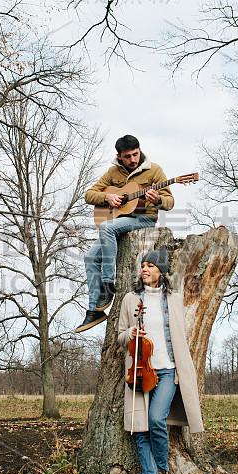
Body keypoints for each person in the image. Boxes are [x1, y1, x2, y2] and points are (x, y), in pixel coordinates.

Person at [117, 249, 204, 474]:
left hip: (167, 371)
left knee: (156, 419)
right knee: (141, 429)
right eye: (142, 265)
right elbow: (119, 338)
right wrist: (130, 333)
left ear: (161, 271)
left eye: (150, 266)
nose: (144, 269)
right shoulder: (130, 300)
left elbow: (180, 336)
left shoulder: (174, 299)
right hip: (140, 372)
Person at [75, 135, 174, 333]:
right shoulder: (113, 172)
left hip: (143, 220)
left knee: (106, 227)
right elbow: (89, 194)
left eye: (135, 154)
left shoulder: (154, 170)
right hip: (119, 222)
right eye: (127, 156)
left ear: (140, 150)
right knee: (90, 257)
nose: (133, 160)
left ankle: (108, 285)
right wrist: (107, 197)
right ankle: (95, 310)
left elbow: (169, 201)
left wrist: (157, 201)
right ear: (119, 156)